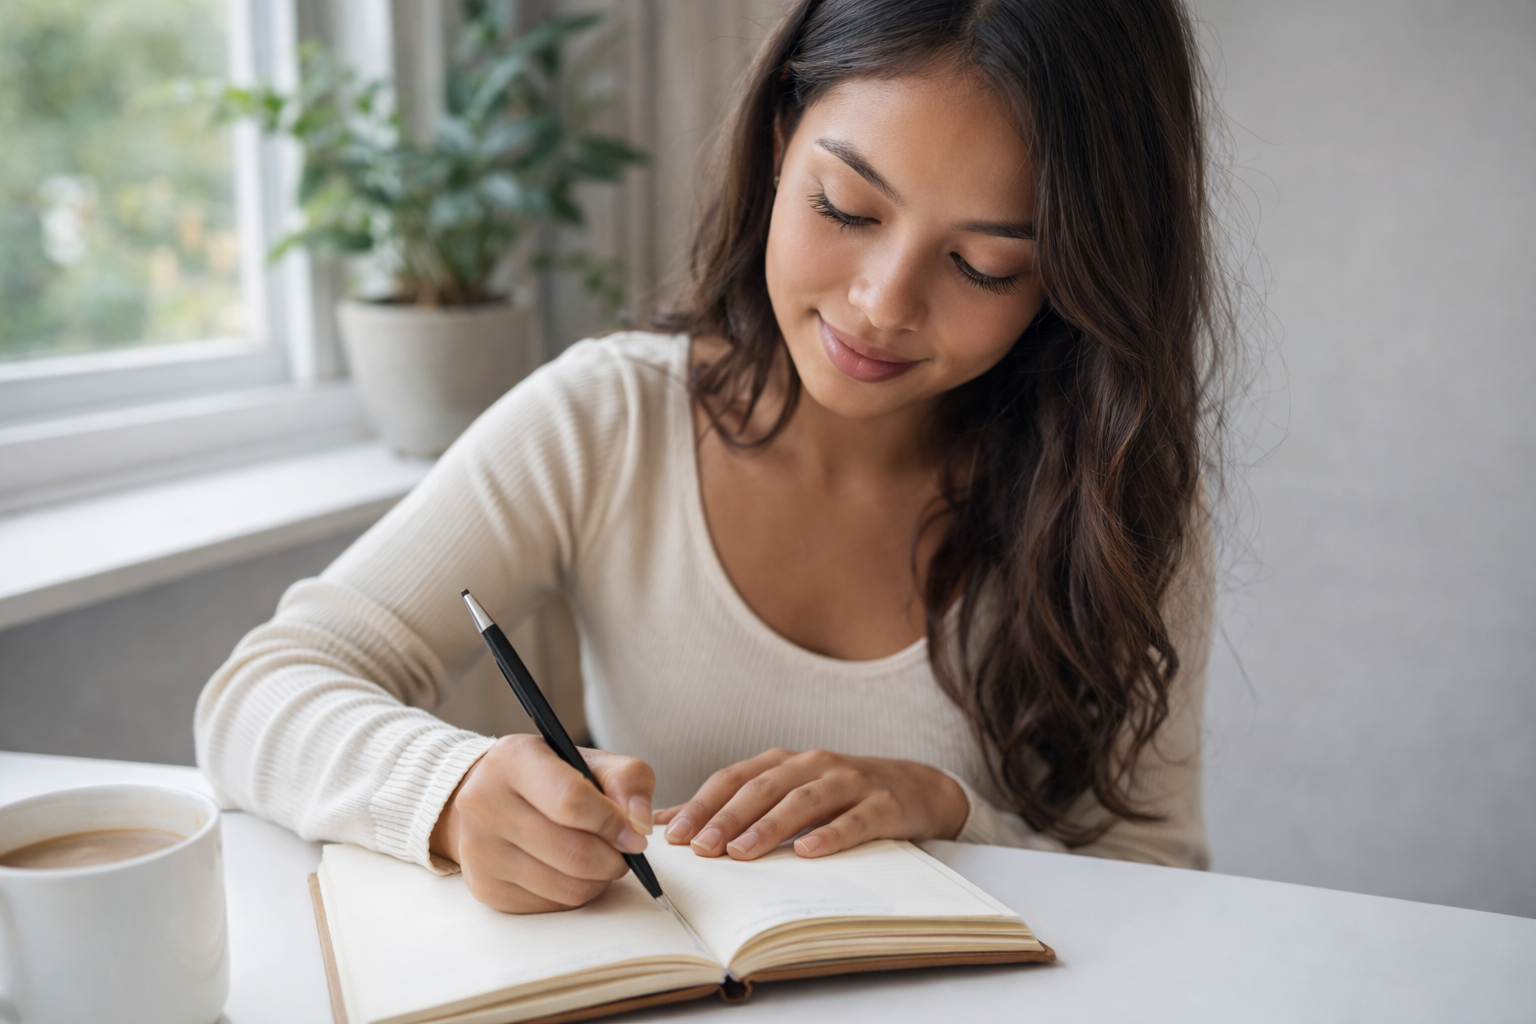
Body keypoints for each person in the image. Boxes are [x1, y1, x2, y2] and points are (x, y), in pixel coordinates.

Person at [196, 0, 1231, 915]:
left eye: (982, 265)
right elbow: (258, 693)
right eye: (846, 208)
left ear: (1074, 277)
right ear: (782, 139)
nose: (882, 304)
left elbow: (1158, 877)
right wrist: (451, 792)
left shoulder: (1114, 497)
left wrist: (951, 815)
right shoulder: (610, 420)